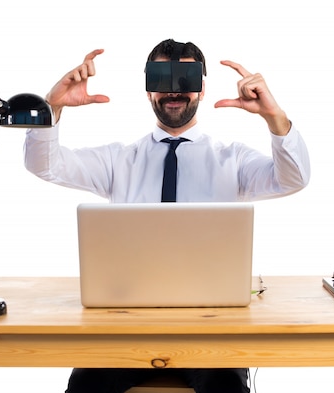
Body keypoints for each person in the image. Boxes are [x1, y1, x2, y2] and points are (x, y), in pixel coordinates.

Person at [24, 39, 310, 393]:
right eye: (162, 79)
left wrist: (274, 116)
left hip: (211, 332)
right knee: (86, 385)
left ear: (202, 89)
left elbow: (294, 178)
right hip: (126, 328)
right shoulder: (119, 160)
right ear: (148, 90)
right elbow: (44, 165)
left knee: (226, 388)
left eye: (185, 80)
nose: (174, 92)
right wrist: (52, 107)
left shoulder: (232, 160)